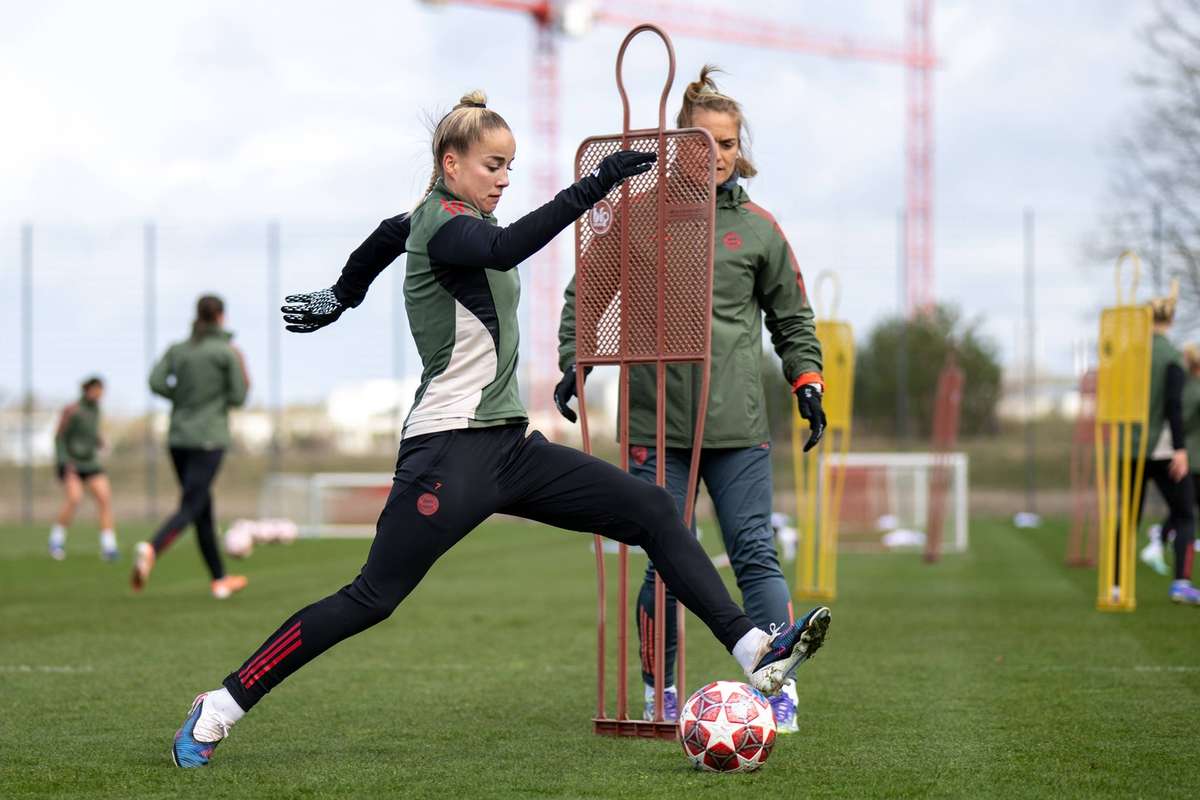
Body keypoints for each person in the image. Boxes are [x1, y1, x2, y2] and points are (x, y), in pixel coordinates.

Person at [170, 90, 831, 768]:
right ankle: (219, 706)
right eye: (493, 165)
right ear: (450, 163)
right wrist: (596, 185)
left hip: (509, 448)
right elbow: (509, 246)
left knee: (653, 511)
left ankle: (755, 653)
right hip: (447, 453)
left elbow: (383, 235)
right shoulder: (450, 226)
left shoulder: (425, 219)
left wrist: (344, 294)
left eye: (511, 166)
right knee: (371, 598)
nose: (505, 179)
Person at [554, 66, 823, 732]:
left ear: (739, 149)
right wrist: (573, 361)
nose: (718, 154)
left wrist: (807, 381)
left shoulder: (759, 229)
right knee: (667, 556)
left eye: (728, 143)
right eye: (705, 141)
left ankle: (775, 687)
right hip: (653, 420)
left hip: (737, 424)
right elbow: (586, 292)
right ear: (681, 146)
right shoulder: (638, 215)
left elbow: (792, 317)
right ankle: (660, 691)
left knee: (756, 553)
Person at [134, 294, 250, 600]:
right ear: (221, 317)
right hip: (208, 439)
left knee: (202, 507)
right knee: (191, 506)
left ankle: (220, 580)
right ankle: (152, 548)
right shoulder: (225, 353)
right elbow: (239, 397)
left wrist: (181, 397)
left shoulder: (178, 350)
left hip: (178, 439)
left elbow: (156, 382)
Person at [1119, 283, 1199, 604]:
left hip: (1129, 447)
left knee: (1128, 518)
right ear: (1171, 318)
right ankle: (1180, 582)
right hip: (1162, 449)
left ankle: (1115, 583)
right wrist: (1180, 449)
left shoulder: (1130, 355)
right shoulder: (1170, 358)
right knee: (1184, 515)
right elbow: (1173, 407)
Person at [48, 376, 118, 561]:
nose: (100, 394)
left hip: (91, 463)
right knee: (74, 499)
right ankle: (56, 539)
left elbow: (90, 433)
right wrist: (64, 462)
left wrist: (99, 441)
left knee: (104, 499)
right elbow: (59, 437)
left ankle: (108, 546)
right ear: (88, 390)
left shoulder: (96, 410)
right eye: (97, 390)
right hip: (72, 463)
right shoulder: (73, 410)